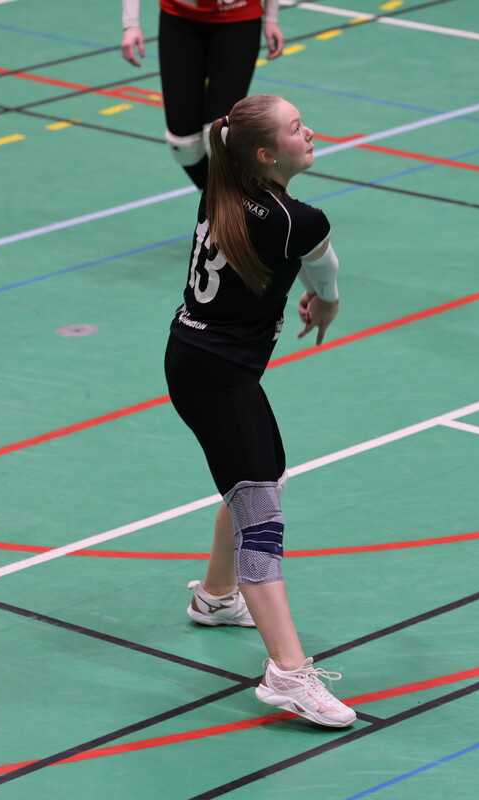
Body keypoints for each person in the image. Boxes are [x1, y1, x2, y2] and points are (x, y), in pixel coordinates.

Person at [164, 94, 355, 727]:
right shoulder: (298, 221)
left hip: (193, 358)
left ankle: (218, 598)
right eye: (297, 128)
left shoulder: (223, 186)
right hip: (217, 377)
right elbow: (326, 274)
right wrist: (326, 304)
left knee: (262, 477)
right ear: (268, 154)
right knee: (262, 517)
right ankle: (288, 674)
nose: (311, 132)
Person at [120, 0, 285, 188]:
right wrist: (131, 24)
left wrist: (271, 18)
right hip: (179, 17)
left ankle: (232, 202)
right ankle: (218, 199)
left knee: (218, 133)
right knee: (182, 144)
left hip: (238, 19)